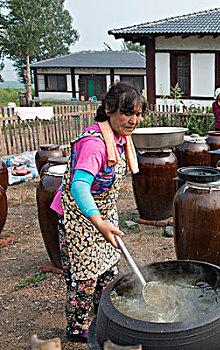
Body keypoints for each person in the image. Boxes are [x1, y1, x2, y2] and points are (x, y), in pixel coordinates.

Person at [50, 82, 145, 343]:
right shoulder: (95, 143)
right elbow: (79, 186)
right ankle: (78, 328)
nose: (133, 120)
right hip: (79, 216)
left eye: (137, 114)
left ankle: (102, 314)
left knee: (107, 271)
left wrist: (105, 220)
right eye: (127, 113)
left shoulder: (120, 138)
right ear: (108, 109)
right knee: (85, 278)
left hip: (102, 214)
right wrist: (98, 222)